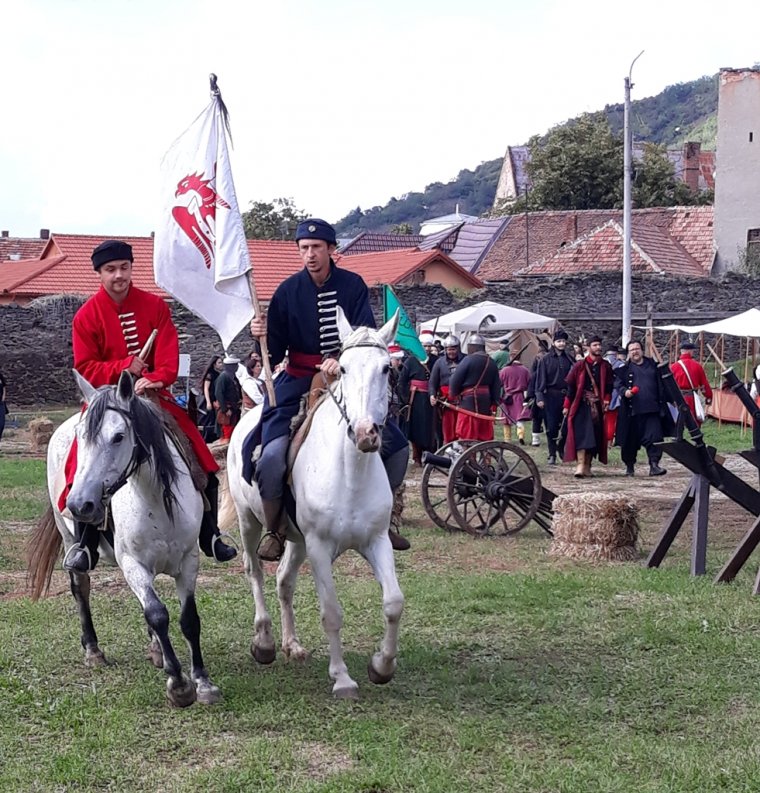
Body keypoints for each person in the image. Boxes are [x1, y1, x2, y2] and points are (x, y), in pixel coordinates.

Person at [62, 239, 236, 572]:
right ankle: (84, 543)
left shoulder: (155, 307)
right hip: (106, 402)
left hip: (152, 397)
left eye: (124, 268)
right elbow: (85, 367)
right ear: (99, 273)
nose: (119, 276)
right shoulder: (86, 316)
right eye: (111, 270)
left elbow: (169, 358)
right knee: (79, 461)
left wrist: (154, 378)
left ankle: (210, 533)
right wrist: (123, 366)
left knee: (199, 455)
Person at [248, 218, 410, 561]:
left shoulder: (352, 285)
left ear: (331, 249)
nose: (310, 254)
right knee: (271, 456)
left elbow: (364, 336)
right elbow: (274, 352)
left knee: (398, 447)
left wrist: (339, 357)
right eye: (304, 249)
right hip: (296, 380)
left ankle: (387, 518)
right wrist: (259, 333)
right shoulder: (286, 292)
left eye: (316, 248)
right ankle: (275, 528)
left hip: (346, 377)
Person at [614, 339, 673, 476]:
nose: (635, 351)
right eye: (632, 349)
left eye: (637, 348)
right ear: (629, 353)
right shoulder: (622, 370)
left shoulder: (654, 366)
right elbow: (618, 384)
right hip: (632, 412)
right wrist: (625, 392)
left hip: (652, 410)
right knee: (629, 441)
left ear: (642, 350)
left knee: (655, 438)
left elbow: (665, 384)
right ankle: (630, 467)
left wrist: (672, 399)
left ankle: (654, 465)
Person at [562, 335, 613, 478]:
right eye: (595, 345)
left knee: (595, 436)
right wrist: (567, 406)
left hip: (597, 406)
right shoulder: (579, 365)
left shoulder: (606, 366)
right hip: (581, 405)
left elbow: (609, 386)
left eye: (599, 345)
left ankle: (588, 467)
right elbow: (571, 387)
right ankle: (580, 466)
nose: (598, 347)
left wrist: (607, 400)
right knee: (582, 435)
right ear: (588, 347)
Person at [448, 334, 501, 441]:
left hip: (468, 401)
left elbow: (455, 381)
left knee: (467, 433)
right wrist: (494, 402)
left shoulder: (468, 360)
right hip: (485, 401)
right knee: (484, 433)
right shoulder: (491, 362)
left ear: (472, 346)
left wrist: (454, 394)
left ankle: (468, 455)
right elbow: (496, 386)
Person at [533, 330, 575, 465]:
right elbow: (540, 379)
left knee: (566, 427)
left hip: (566, 396)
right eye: (559, 341)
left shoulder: (569, 359)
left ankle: (561, 447)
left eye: (563, 341)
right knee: (551, 427)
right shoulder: (545, 359)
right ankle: (552, 454)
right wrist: (539, 396)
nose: (561, 344)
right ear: (554, 342)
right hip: (550, 396)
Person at [399, 330, 438, 464]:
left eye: (429, 346)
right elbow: (402, 381)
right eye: (424, 346)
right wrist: (406, 398)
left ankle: (431, 455)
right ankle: (417, 456)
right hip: (415, 400)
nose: (426, 348)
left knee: (431, 428)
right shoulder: (410, 361)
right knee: (416, 427)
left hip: (432, 399)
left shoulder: (436, 361)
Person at [429, 334, 465, 444]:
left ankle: (463, 451)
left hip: (463, 401)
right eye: (449, 349)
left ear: (458, 348)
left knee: (462, 429)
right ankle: (449, 450)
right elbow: (433, 381)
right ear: (445, 350)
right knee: (447, 430)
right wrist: (432, 395)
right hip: (446, 403)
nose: (451, 352)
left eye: (454, 349)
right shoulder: (439, 362)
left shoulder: (466, 360)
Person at [670, 341, 712, 432]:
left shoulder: (673, 367)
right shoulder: (697, 366)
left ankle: (678, 439)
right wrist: (708, 397)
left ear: (681, 351)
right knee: (695, 424)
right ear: (690, 352)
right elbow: (704, 385)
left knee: (678, 423)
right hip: (692, 399)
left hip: (678, 399)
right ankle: (697, 441)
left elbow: (670, 386)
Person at [499, 355, 531, 444]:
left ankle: (507, 439)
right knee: (519, 417)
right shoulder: (525, 370)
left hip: (507, 396)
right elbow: (529, 383)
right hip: (519, 396)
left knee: (506, 419)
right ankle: (520, 435)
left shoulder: (504, 370)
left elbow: (499, 383)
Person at [603, 342, 626, 447]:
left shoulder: (601, 363)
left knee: (604, 419)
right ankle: (609, 442)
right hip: (615, 394)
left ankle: (604, 441)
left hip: (603, 394)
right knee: (612, 420)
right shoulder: (621, 365)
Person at [215, 356, 243, 439]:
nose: (237, 366)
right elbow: (219, 393)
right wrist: (225, 409)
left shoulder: (233, 377)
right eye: (235, 365)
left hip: (234, 407)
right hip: (228, 409)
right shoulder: (223, 377)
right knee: (227, 428)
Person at [199, 355, 223, 442]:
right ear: (214, 364)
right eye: (219, 363)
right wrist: (208, 402)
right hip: (209, 398)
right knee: (209, 419)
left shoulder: (218, 374)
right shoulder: (210, 375)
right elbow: (206, 388)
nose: (221, 365)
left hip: (215, 399)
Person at [0, 369, 7, 442]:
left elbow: (4, 387)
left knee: (1, 424)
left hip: (1, 403)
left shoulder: (0, 376)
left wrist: (3, 397)